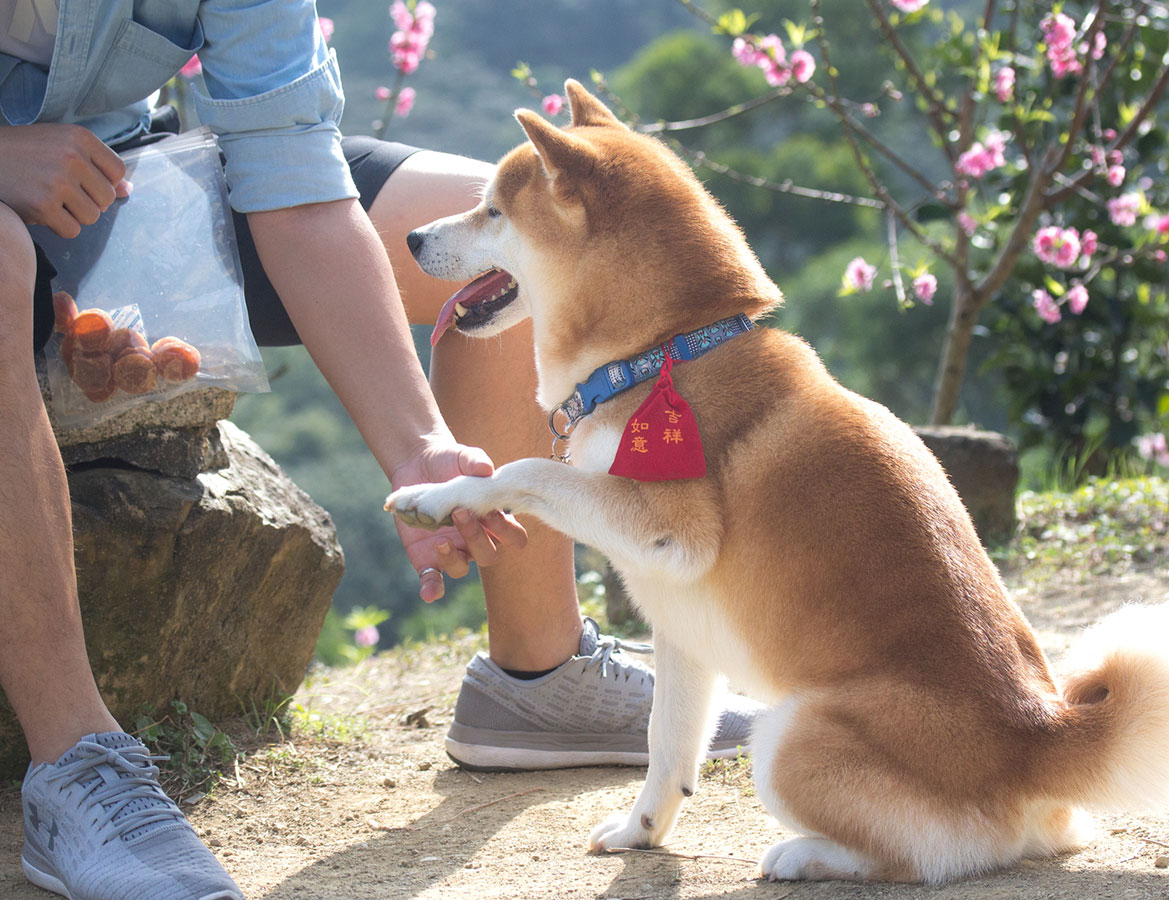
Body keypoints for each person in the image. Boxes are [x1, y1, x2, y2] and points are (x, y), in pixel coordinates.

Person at [0, 2, 755, 897]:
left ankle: (538, 675)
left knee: (515, 234)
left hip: (120, 174)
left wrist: (422, 449)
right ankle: (79, 766)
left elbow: (295, 186)